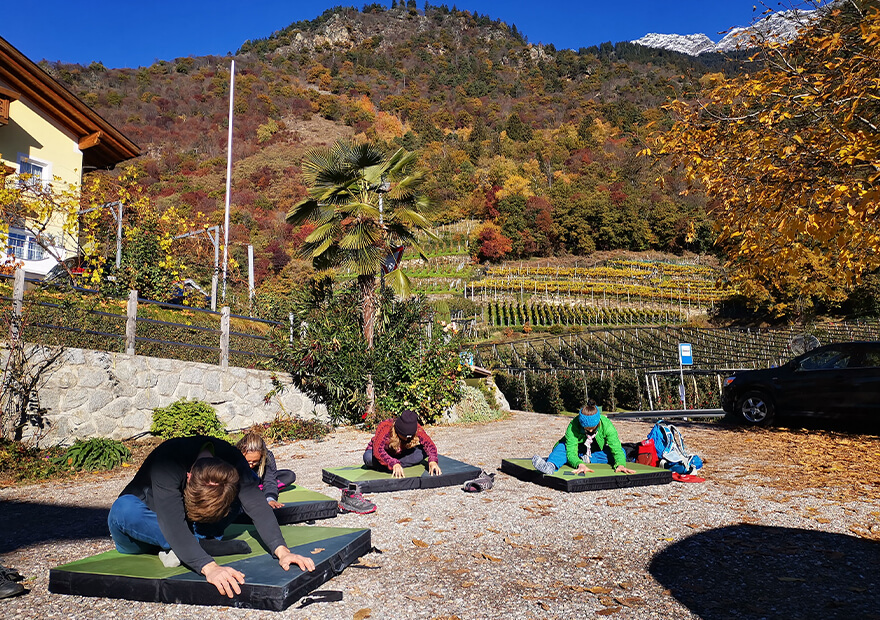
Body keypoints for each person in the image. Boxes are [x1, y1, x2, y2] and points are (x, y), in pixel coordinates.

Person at [107, 435, 315, 598]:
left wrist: (282, 551)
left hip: (190, 525)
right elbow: (171, 521)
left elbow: (257, 504)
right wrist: (209, 567)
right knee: (123, 509)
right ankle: (197, 545)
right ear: (188, 477)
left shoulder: (233, 458)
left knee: (238, 497)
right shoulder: (168, 461)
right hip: (143, 527)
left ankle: (187, 546)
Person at [532, 400, 637, 475]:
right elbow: (571, 451)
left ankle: (587, 459)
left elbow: (616, 448)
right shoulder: (573, 426)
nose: (590, 431)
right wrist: (579, 464)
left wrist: (620, 464)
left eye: (593, 428)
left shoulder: (607, 425)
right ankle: (551, 466)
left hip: (594, 452)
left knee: (621, 452)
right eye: (586, 428)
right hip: (577, 450)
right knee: (562, 448)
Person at [363, 410, 441, 479]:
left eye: (409, 437)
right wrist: (392, 463)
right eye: (404, 436)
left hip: (402, 455)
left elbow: (429, 444)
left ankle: (391, 466)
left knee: (422, 452)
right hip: (382, 454)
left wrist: (433, 461)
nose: (406, 439)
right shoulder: (385, 426)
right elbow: (377, 451)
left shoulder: (416, 427)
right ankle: (392, 465)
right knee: (368, 457)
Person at [236, 432, 296, 509]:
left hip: (258, 480)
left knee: (289, 476)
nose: (251, 465)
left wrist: (270, 498)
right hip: (240, 484)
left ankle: (258, 489)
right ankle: (256, 489)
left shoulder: (268, 456)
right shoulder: (233, 455)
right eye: (248, 462)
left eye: (255, 462)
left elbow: (270, 480)